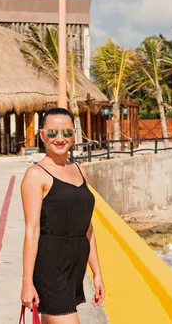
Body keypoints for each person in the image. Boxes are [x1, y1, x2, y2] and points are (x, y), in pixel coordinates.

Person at [20, 108, 105, 323]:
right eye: (52, 133)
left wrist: (97, 273)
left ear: (74, 135)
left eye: (67, 133)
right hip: (51, 268)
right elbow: (32, 230)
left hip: (75, 268)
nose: (60, 139)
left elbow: (87, 226)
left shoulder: (79, 170)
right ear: (42, 135)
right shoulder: (36, 175)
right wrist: (27, 283)